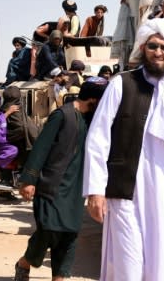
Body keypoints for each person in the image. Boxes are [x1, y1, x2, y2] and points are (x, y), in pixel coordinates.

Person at [84, 18, 164, 280]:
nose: (158, 52)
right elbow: (98, 138)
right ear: (143, 47)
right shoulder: (123, 84)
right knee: (127, 265)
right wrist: (95, 190)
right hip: (126, 192)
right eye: (153, 46)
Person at [13, 77, 109, 281]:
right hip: (51, 185)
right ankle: (24, 262)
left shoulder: (94, 121)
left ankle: (59, 278)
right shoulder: (62, 115)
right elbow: (42, 147)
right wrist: (29, 179)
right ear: (93, 99)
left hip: (75, 188)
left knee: (69, 234)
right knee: (48, 230)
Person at [3, 86, 39, 168]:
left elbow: (21, 128)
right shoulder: (15, 108)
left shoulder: (12, 108)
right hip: (22, 143)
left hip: (22, 143)